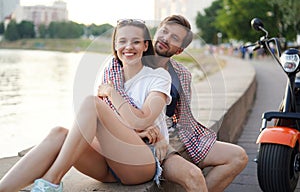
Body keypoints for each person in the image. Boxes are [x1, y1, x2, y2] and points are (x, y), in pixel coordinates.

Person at [0, 19, 173, 191]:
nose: (128, 47)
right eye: (122, 41)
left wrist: (113, 94)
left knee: (92, 103)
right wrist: (133, 130)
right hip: (107, 163)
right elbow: (100, 127)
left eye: (136, 42)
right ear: (115, 45)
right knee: (59, 133)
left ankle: (50, 182)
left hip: (141, 163)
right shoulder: (110, 75)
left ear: (145, 45)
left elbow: (141, 120)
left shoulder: (158, 77)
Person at [105, 15, 248, 192]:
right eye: (164, 32)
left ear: (179, 50)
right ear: (155, 33)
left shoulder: (181, 74)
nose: (165, 38)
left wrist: (185, 142)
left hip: (181, 136)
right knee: (192, 175)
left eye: (174, 38)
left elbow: (184, 117)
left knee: (238, 156)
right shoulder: (124, 61)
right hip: (147, 138)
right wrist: (147, 131)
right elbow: (111, 106)